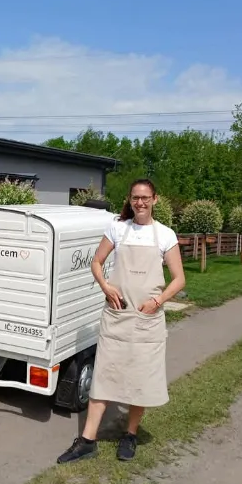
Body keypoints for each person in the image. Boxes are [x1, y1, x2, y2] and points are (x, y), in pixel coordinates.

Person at [57, 178, 186, 463]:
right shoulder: (117, 229)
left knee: (141, 378)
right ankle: (87, 441)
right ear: (130, 199)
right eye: (135, 197)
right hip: (117, 316)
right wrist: (106, 287)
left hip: (147, 319)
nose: (140, 202)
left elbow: (179, 279)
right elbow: (96, 262)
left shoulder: (166, 235)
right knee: (104, 376)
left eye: (145, 198)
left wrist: (157, 302)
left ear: (155, 199)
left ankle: (130, 435)